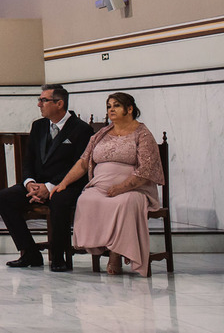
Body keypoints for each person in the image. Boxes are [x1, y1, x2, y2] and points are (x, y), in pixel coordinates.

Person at [54, 92, 165, 276]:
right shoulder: (101, 134)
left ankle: (116, 253)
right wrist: (64, 183)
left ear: (129, 109)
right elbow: (83, 162)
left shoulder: (143, 134)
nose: (111, 110)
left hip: (135, 188)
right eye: (109, 106)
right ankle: (103, 246)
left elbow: (146, 170)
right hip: (101, 186)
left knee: (123, 203)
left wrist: (121, 187)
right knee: (87, 199)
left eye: (116, 106)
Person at [0, 84, 93, 271]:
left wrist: (50, 186)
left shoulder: (81, 130)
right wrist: (30, 183)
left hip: (66, 185)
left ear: (59, 103)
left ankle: (58, 256)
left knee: (59, 201)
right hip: (37, 183)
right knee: (4, 197)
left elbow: (79, 165)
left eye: (43, 100)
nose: (38, 104)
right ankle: (29, 252)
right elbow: (28, 160)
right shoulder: (38, 126)